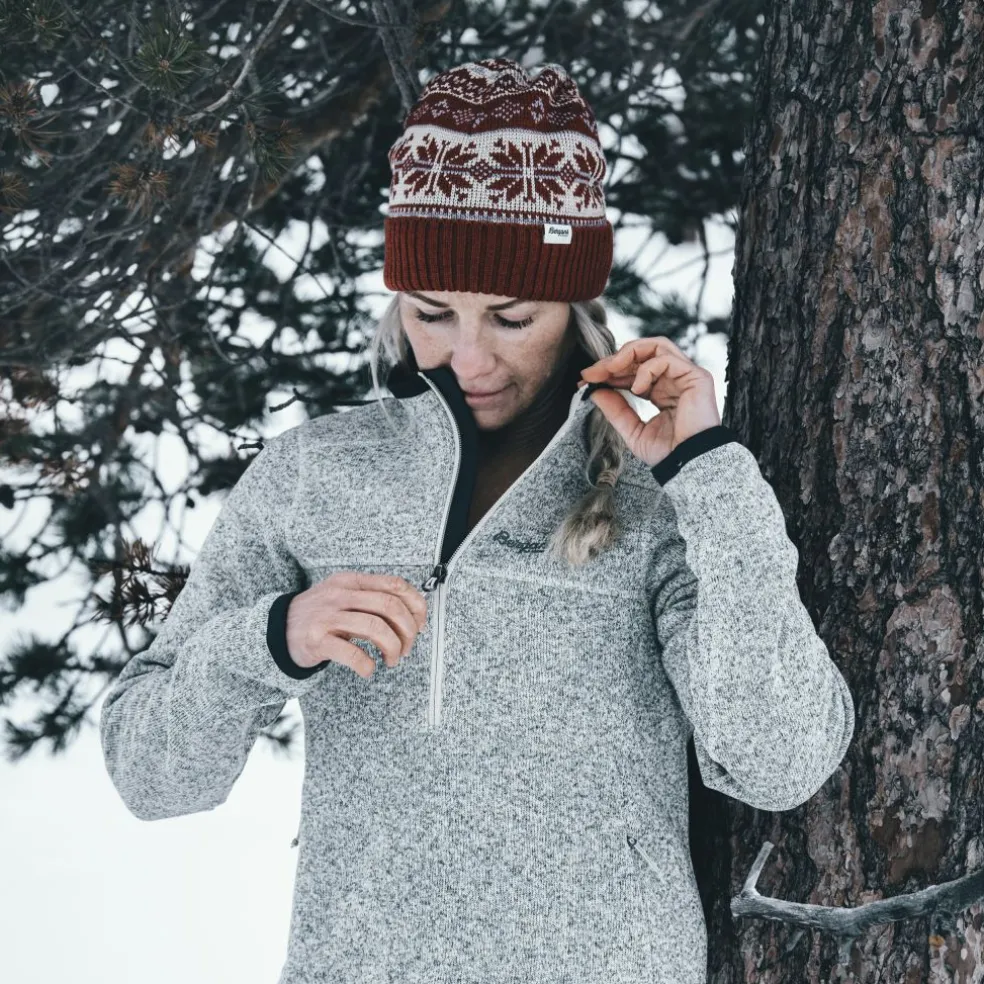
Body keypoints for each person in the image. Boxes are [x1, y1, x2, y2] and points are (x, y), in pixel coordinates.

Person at [99, 57, 856, 984]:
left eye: (510, 317)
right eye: (431, 313)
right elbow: (151, 774)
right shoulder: (314, 475)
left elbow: (780, 759)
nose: (467, 359)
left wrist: (709, 471)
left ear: (573, 302)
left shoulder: (659, 495)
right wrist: (272, 638)